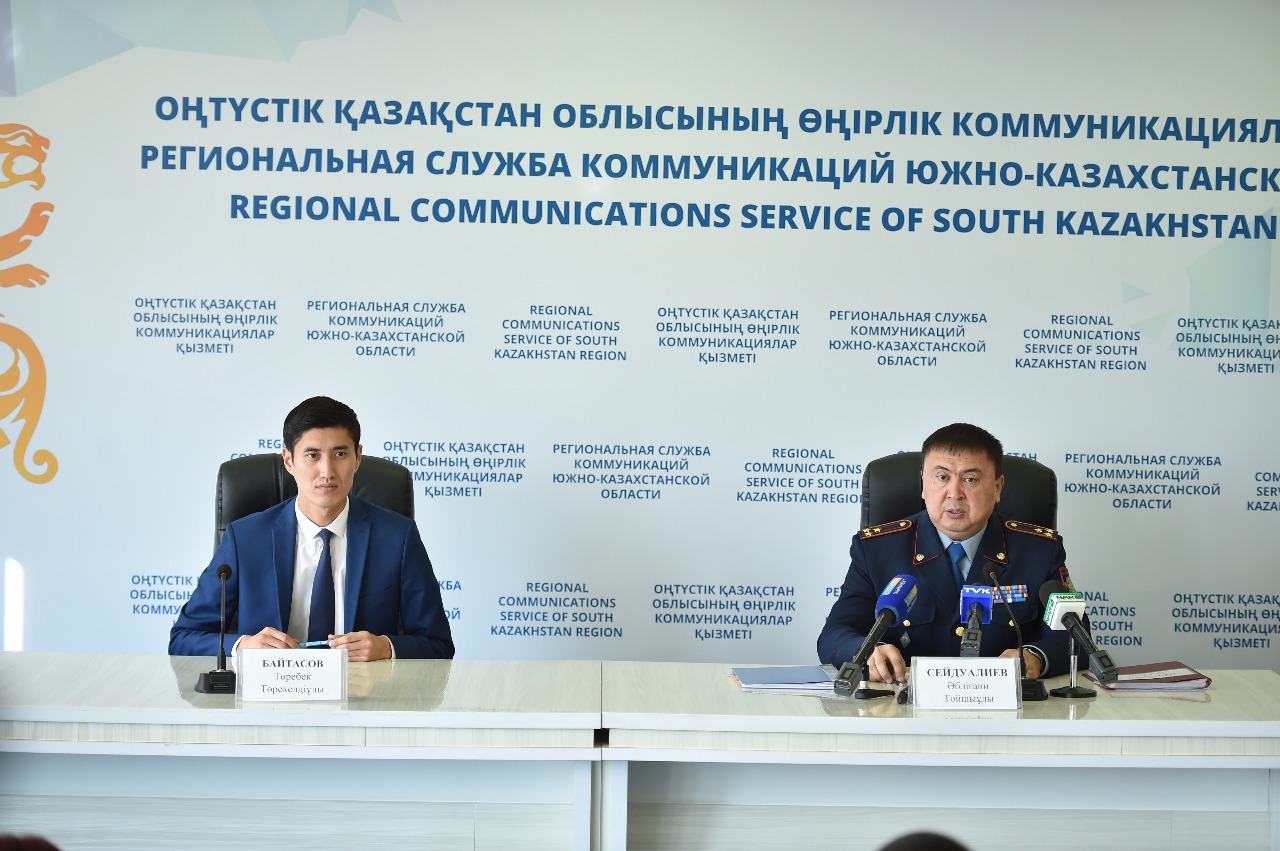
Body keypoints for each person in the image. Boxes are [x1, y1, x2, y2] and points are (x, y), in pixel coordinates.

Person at [169, 396, 454, 661]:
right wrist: (244, 646)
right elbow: (183, 637)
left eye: (340, 454)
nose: (327, 471)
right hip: (272, 694)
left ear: (358, 457)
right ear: (289, 460)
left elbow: (438, 644)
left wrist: (387, 648)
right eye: (313, 455)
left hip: (362, 693)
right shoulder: (244, 539)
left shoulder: (398, 537)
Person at [818, 423, 1071, 684]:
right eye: (942, 477)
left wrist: (1035, 657)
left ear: (997, 488)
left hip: (1004, 702)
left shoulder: (1040, 551)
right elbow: (836, 634)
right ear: (923, 484)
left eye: (970, 479)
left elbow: (1074, 639)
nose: (954, 493)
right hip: (900, 702)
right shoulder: (876, 549)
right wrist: (867, 651)